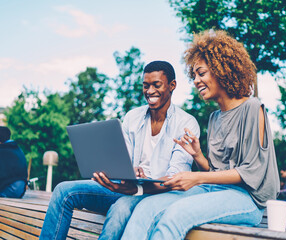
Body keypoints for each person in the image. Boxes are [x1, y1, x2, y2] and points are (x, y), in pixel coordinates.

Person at [118, 30, 280, 240]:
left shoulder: (253, 108)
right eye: (193, 75)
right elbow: (217, 172)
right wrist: (198, 156)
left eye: (201, 73)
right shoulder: (214, 118)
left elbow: (251, 173)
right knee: (146, 208)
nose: (196, 80)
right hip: (215, 190)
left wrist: (196, 177)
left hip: (249, 200)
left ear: (222, 71)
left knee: (176, 214)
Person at [39, 61, 200, 240]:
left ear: (172, 85)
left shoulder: (186, 123)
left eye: (156, 85)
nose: (150, 91)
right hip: (125, 187)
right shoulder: (132, 117)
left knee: (121, 206)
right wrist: (128, 171)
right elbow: (122, 159)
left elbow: (175, 178)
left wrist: (139, 188)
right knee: (63, 190)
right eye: (145, 86)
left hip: (158, 194)